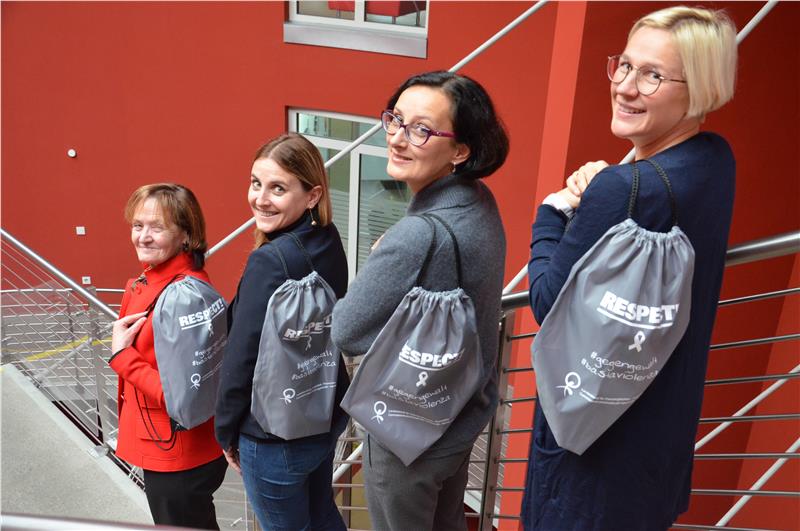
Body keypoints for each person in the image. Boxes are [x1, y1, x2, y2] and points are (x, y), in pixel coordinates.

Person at [522, 6, 737, 530]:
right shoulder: (714, 160)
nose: (624, 86)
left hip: (590, 455)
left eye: (653, 75)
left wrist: (553, 212)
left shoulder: (622, 190)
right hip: (658, 441)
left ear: (698, 90)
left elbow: (548, 301)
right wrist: (607, 188)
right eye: (624, 65)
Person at [331, 71, 509, 531]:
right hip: (460, 414)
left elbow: (346, 329)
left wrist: (381, 259)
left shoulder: (415, 236)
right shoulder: (479, 201)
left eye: (421, 130)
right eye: (395, 120)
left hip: (407, 430)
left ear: (460, 150)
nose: (397, 138)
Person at [214, 133, 349, 531]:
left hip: (274, 435)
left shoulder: (270, 261)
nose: (260, 199)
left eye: (278, 188)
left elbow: (243, 356)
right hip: (323, 411)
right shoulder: (328, 239)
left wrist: (225, 430)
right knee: (323, 516)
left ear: (311, 196)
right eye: (256, 183)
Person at [109, 183, 226, 529]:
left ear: (186, 235)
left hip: (175, 454)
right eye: (137, 225)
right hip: (168, 444)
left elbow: (183, 397)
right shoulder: (159, 280)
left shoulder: (181, 296)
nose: (142, 237)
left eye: (156, 227)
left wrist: (122, 355)